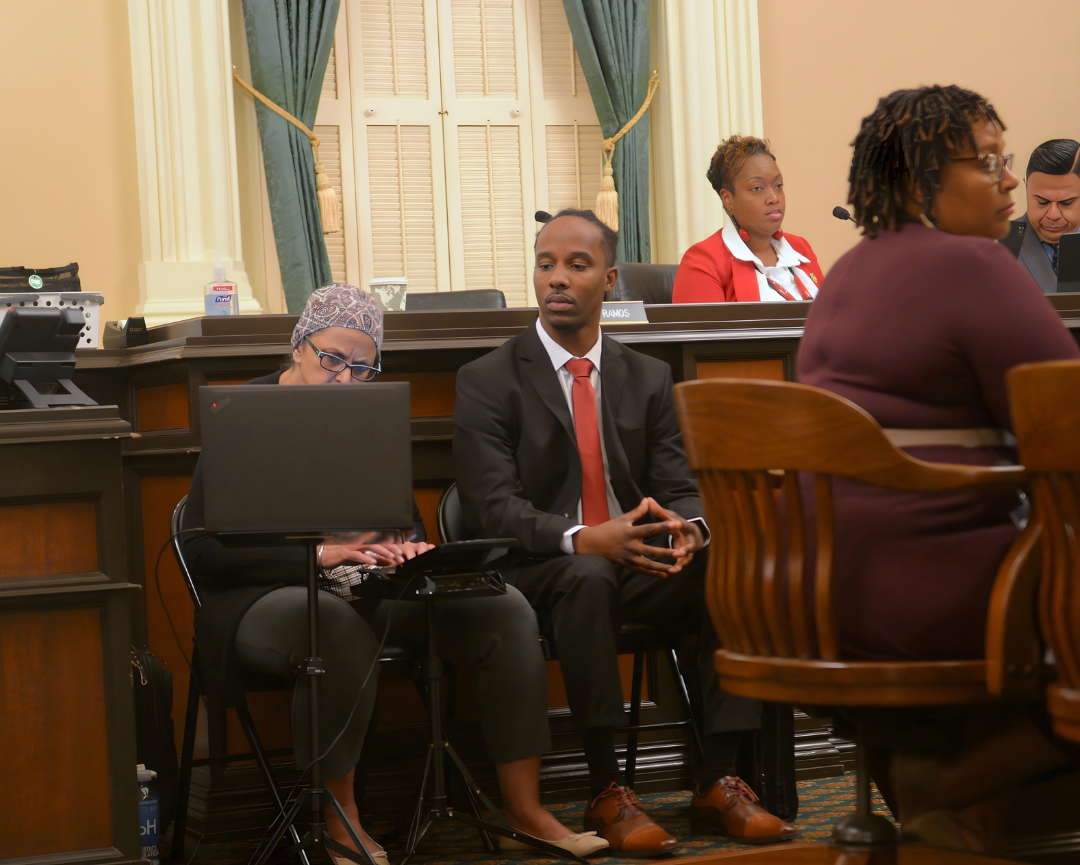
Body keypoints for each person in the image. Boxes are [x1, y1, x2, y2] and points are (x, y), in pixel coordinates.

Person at [181, 285, 607, 864]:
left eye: (362, 368)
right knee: (330, 623)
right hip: (263, 596)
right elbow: (206, 554)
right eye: (332, 360)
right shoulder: (240, 414)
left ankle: (522, 811)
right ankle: (340, 817)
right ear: (298, 345)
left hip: (367, 590)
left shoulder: (366, 418)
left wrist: (401, 548)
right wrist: (320, 557)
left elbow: (399, 520)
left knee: (501, 607)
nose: (344, 380)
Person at [453, 209, 798, 856]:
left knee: (731, 565)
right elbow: (491, 510)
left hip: (634, 562)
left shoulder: (648, 376)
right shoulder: (487, 380)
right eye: (545, 263)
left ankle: (718, 777)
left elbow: (679, 484)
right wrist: (586, 537)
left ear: (609, 279)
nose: (556, 278)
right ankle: (607, 785)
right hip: (538, 570)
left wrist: (692, 528)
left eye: (576, 265)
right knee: (587, 575)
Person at [797, 85, 1077, 853]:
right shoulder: (974, 265)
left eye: (1006, 161)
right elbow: (1070, 426)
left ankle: (947, 810)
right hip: (942, 595)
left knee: (979, 818)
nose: (1009, 182)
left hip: (830, 591)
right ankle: (940, 790)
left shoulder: (845, 275)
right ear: (921, 177)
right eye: (988, 163)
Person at [672, 135, 824, 303]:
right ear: (727, 198)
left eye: (778, 186)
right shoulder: (703, 263)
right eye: (757, 188)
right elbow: (708, 330)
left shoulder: (800, 248)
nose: (774, 198)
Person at [1012, 138, 1080, 292]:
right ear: (1026, 187)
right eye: (1042, 202)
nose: (1053, 215)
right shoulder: (999, 246)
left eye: (1066, 202)